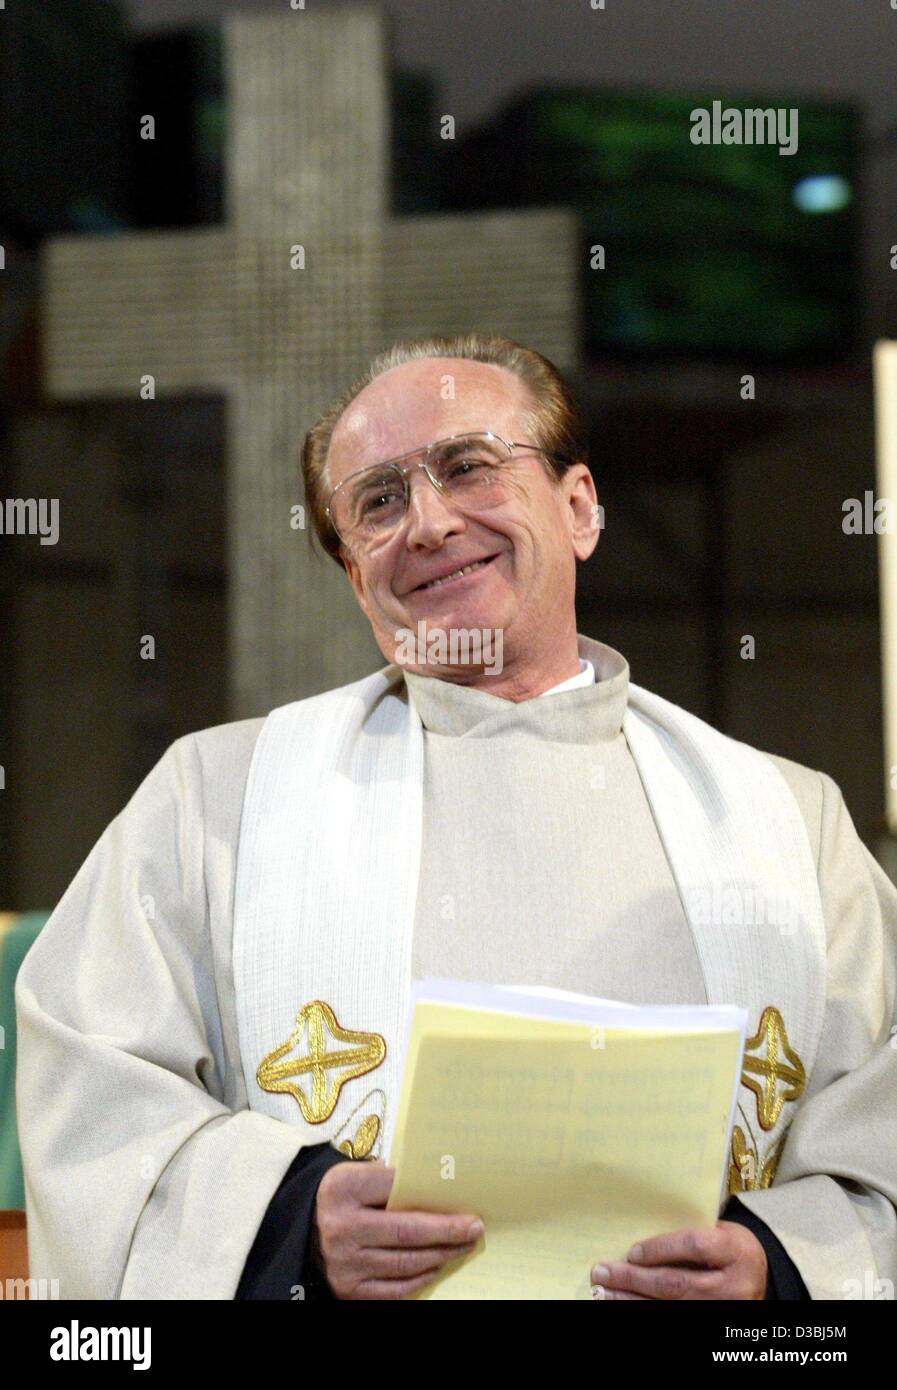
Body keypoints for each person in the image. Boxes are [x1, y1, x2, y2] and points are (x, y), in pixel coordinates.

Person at [15, 333, 897, 1301]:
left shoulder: (789, 823)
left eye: (468, 466)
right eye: (379, 503)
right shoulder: (213, 806)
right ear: (358, 579)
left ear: (580, 508)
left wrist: (776, 1271)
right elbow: (91, 1099)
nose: (428, 524)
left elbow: (877, 1149)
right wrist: (289, 1224)